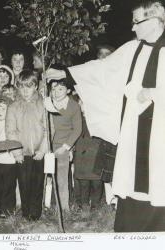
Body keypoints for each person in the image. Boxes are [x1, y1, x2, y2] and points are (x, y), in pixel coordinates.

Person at [46, 0, 165, 232]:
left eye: (137, 22)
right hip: (135, 128)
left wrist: (153, 93)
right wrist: (67, 73)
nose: (133, 28)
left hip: (160, 131)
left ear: (153, 21)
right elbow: (103, 69)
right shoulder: (134, 49)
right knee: (132, 176)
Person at [6, 70, 47, 221]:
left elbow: (48, 129)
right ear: (18, 87)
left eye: (29, 86)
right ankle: (26, 211)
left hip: (38, 151)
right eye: (22, 87)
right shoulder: (13, 107)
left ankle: (35, 213)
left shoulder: (43, 105)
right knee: (24, 182)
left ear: (36, 86)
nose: (25, 90)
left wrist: (43, 149)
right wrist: (17, 152)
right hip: (22, 152)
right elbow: (10, 131)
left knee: (37, 182)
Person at [46, 79, 82, 211]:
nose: (56, 92)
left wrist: (66, 147)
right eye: (54, 89)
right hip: (46, 145)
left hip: (62, 146)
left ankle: (63, 208)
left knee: (61, 178)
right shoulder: (47, 103)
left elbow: (77, 129)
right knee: (47, 176)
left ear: (68, 91)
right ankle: (45, 204)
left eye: (60, 89)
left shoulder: (73, 106)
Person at [92, 45, 118, 207]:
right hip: (101, 126)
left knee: (117, 162)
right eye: (101, 54)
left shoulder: (118, 74)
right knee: (105, 164)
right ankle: (110, 199)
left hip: (116, 124)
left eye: (108, 54)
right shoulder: (94, 76)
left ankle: (119, 197)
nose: (104, 57)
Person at [73, 98, 102, 211]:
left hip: (95, 153)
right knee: (83, 181)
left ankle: (95, 204)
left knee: (97, 182)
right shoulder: (77, 118)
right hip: (81, 154)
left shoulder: (98, 119)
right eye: (81, 103)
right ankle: (84, 204)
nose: (82, 106)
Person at [0, 98, 17, 218]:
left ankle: (7, 209)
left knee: (8, 186)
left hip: (9, 161)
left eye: (3, 108)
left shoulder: (11, 123)